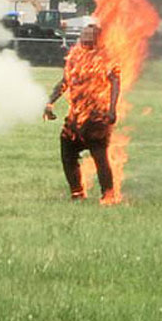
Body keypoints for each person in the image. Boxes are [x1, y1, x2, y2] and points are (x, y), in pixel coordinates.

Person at [43, 24, 120, 204]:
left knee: (100, 157)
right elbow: (64, 82)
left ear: (98, 38)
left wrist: (112, 109)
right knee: (67, 153)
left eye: (89, 35)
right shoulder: (75, 56)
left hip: (97, 116)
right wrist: (49, 102)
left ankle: (108, 195)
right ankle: (76, 193)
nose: (84, 38)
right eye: (83, 34)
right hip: (75, 116)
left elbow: (116, 82)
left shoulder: (106, 57)